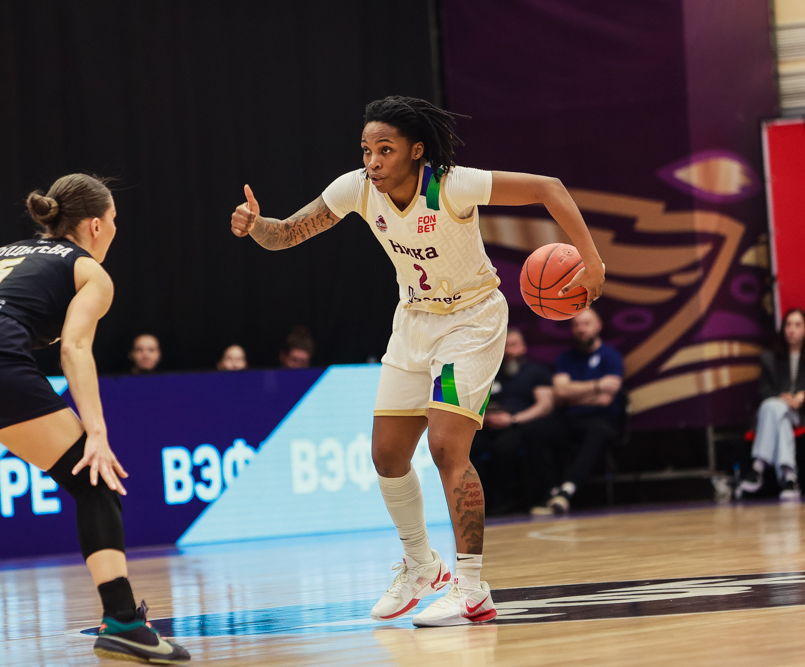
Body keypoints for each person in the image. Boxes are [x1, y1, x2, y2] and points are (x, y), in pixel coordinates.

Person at [229, 95, 605, 627]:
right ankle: (423, 566)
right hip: (413, 322)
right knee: (386, 456)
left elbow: (550, 188)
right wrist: (255, 225)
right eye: (366, 150)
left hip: (470, 322)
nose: (373, 161)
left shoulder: (453, 185)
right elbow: (287, 233)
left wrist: (592, 260)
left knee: (447, 447)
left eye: (385, 150)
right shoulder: (357, 188)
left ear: (416, 151)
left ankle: (471, 588)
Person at [0, 174, 188, 666]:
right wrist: (97, 433)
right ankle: (122, 623)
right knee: (95, 479)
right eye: (114, 220)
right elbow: (74, 347)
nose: (116, 229)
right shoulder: (90, 271)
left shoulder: (0, 254)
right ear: (95, 225)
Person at [540, 308, 624, 514]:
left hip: (601, 418)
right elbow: (560, 392)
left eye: (586, 324)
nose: (581, 329)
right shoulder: (565, 358)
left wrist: (573, 393)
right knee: (536, 431)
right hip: (569, 417)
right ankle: (551, 492)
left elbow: (605, 399)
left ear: (598, 326)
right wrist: (597, 385)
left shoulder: (611, 357)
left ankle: (568, 489)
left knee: (597, 432)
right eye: (576, 325)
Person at [474, 329, 555, 515]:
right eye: (505, 346)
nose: (509, 351)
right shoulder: (491, 374)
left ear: (523, 347)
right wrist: (485, 418)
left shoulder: (536, 372)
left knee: (504, 448)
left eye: (513, 345)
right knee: (469, 448)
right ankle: (480, 502)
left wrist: (513, 420)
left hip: (521, 425)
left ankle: (507, 500)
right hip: (488, 425)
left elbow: (545, 406)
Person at [737, 308, 805, 501]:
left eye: (797, 325)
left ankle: (758, 465)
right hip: (778, 410)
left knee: (773, 408)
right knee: (776, 410)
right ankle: (789, 476)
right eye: (788, 324)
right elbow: (764, 391)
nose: (792, 330)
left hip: (800, 412)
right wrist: (781, 397)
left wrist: (802, 396)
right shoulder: (770, 358)